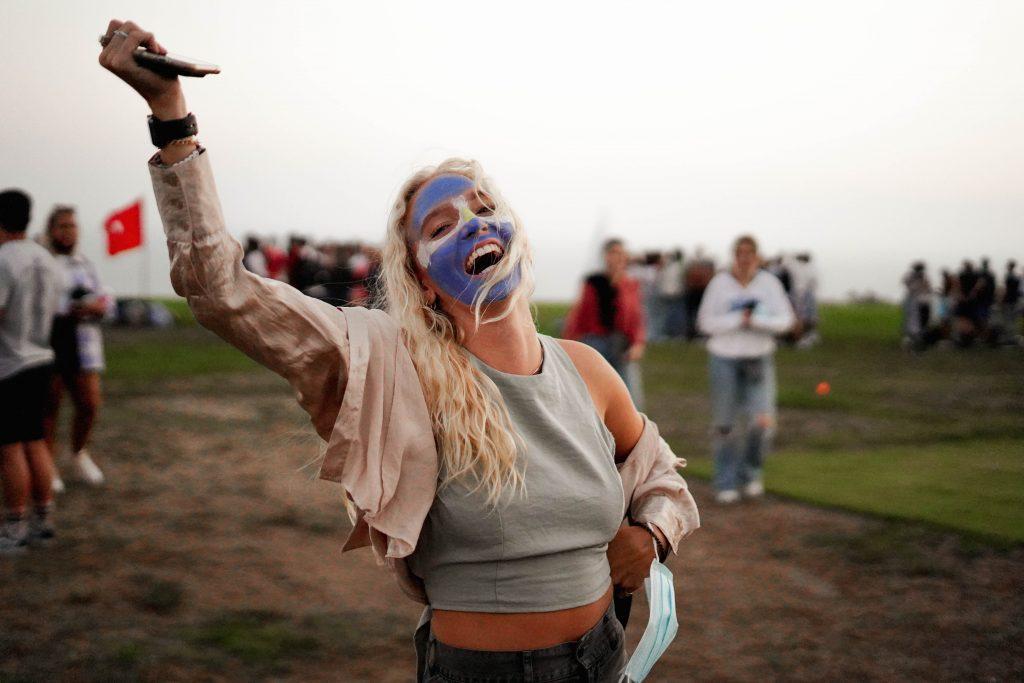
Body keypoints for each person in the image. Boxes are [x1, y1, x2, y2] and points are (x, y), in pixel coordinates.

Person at [99, 21, 698, 682]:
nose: (472, 222)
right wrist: (171, 118)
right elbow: (220, 292)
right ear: (417, 279)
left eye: (482, 206)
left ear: (513, 231)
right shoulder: (389, 361)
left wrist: (652, 534)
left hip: (599, 659)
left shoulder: (586, 370)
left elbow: (660, 474)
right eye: (442, 226)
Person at [697, 235, 794, 504]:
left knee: (761, 423)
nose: (745, 258)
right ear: (734, 255)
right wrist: (737, 319)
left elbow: (785, 320)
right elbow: (705, 322)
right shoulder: (720, 284)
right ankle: (725, 480)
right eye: (740, 252)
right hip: (724, 358)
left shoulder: (769, 283)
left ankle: (751, 473)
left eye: (750, 253)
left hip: (758, 359)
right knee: (725, 424)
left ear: (757, 256)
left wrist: (758, 321)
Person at [0, 189, 62, 554]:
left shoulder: (4, 259)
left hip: (10, 362)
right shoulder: (45, 258)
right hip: (42, 358)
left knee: (9, 448)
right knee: (35, 440)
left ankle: (14, 528)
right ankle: (43, 521)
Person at [42, 206, 112, 488]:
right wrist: (67, 308)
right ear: (51, 230)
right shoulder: (43, 262)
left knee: (89, 403)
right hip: (51, 341)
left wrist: (97, 306)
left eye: (72, 226)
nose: (68, 231)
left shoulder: (84, 263)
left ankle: (78, 452)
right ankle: (47, 463)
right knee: (49, 405)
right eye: (62, 226)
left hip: (83, 341)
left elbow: (105, 296)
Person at [563, 239, 647, 409]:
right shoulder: (593, 282)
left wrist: (638, 344)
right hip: (594, 342)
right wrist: (569, 342)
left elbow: (637, 317)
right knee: (591, 393)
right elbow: (579, 314)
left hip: (621, 343)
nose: (617, 257)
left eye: (621, 253)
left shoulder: (630, 284)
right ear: (605, 256)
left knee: (630, 395)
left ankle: (629, 431)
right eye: (613, 253)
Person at [1003, 260, 1021, 343]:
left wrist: (1002, 298)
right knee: (1012, 319)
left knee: (1008, 318)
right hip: (1015, 299)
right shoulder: (1017, 277)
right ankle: (1012, 336)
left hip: (1009, 299)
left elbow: (1007, 289)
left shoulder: (1008, 276)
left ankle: (1009, 338)